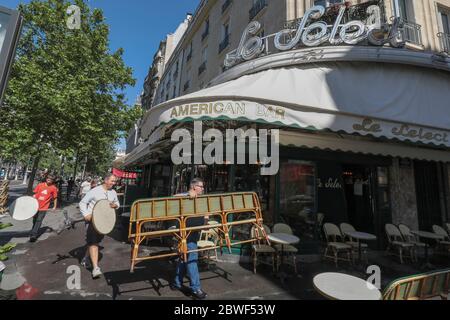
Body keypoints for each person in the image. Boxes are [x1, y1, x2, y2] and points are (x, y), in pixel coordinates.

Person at [170, 178, 209, 300]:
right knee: (192, 259)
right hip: (186, 234)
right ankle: (195, 288)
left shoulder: (200, 198)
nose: (203, 188)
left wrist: (206, 220)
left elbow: (204, 212)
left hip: (194, 232)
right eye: (201, 186)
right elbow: (172, 198)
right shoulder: (185, 196)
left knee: (184, 258)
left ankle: (176, 282)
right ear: (193, 187)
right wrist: (187, 194)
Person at [79, 173, 120, 279]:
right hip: (92, 221)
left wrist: (115, 205)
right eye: (112, 181)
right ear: (106, 180)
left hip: (104, 222)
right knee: (93, 242)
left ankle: (85, 258)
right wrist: (86, 215)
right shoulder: (95, 191)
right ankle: (95, 268)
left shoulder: (113, 192)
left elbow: (117, 203)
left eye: (115, 181)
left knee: (95, 241)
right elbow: (82, 203)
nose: (114, 183)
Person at [30, 174, 58, 242]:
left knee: (39, 220)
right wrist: (33, 197)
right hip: (35, 206)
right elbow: (34, 193)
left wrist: (54, 206)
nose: (49, 179)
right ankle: (33, 230)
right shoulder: (40, 185)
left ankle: (33, 235)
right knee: (34, 220)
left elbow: (55, 198)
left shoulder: (53, 188)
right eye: (48, 178)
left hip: (44, 207)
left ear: (52, 181)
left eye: (51, 179)